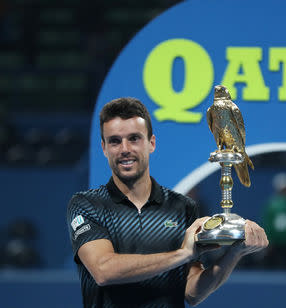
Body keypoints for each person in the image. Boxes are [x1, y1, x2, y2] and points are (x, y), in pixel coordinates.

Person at [66, 97, 268, 308]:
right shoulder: (87, 205)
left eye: (134, 138)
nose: (124, 149)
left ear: (151, 143)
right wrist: (182, 254)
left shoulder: (181, 207)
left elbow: (192, 292)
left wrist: (234, 253)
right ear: (104, 148)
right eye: (115, 141)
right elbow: (103, 271)